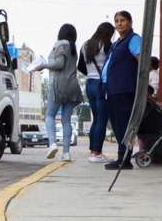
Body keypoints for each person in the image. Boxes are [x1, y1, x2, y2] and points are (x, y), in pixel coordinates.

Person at [101, 10, 142, 170]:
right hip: (111, 89)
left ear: (130, 22)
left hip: (124, 89)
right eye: (116, 21)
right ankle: (122, 157)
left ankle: (124, 158)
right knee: (117, 125)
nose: (119, 23)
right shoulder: (117, 42)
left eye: (122, 20)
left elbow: (141, 62)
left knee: (123, 125)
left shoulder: (133, 39)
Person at [33, 24, 80, 161]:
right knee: (66, 120)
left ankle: (52, 143)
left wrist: (43, 65)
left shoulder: (60, 44)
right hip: (73, 85)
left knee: (49, 116)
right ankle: (66, 153)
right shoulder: (73, 48)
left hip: (58, 85)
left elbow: (59, 64)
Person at [78, 22, 114, 163]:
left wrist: (91, 73)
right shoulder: (107, 44)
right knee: (102, 119)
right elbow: (113, 64)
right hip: (102, 84)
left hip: (89, 84)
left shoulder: (85, 45)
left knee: (96, 117)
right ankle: (96, 153)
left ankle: (93, 151)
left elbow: (80, 66)